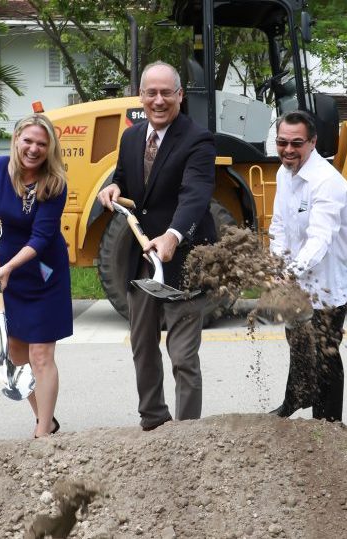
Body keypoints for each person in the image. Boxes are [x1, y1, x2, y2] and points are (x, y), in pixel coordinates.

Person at [97, 61, 216, 431]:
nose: (159, 100)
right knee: (142, 346)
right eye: (152, 92)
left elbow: (194, 196)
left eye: (167, 92)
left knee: (182, 355)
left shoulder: (198, 139)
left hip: (185, 257)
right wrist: (114, 188)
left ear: (180, 95)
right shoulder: (132, 137)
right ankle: (153, 420)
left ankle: (186, 433)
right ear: (141, 96)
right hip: (142, 259)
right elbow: (126, 181)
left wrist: (173, 235)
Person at [0, 113, 72, 438]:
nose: (33, 148)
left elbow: (42, 238)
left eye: (41, 144)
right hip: (8, 271)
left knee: (41, 353)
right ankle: (46, 416)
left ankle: (43, 434)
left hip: (43, 273)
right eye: (28, 140)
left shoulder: (55, 183)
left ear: (50, 148)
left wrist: (9, 268)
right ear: (16, 139)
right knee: (16, 351)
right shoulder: (0, 167)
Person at [267, 110, 347, 422]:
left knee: (326, 352)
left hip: (327, 283)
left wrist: (289, 271)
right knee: (298, 343)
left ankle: (329, 423)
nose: (288, 149)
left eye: (296, 143)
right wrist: (278, 265)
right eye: (282, 142)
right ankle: (293, 401)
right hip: (295, 279)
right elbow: (279, 226)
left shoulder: (329, 183)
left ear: (313, 142)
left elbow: (320, 238)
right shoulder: (284, 174)